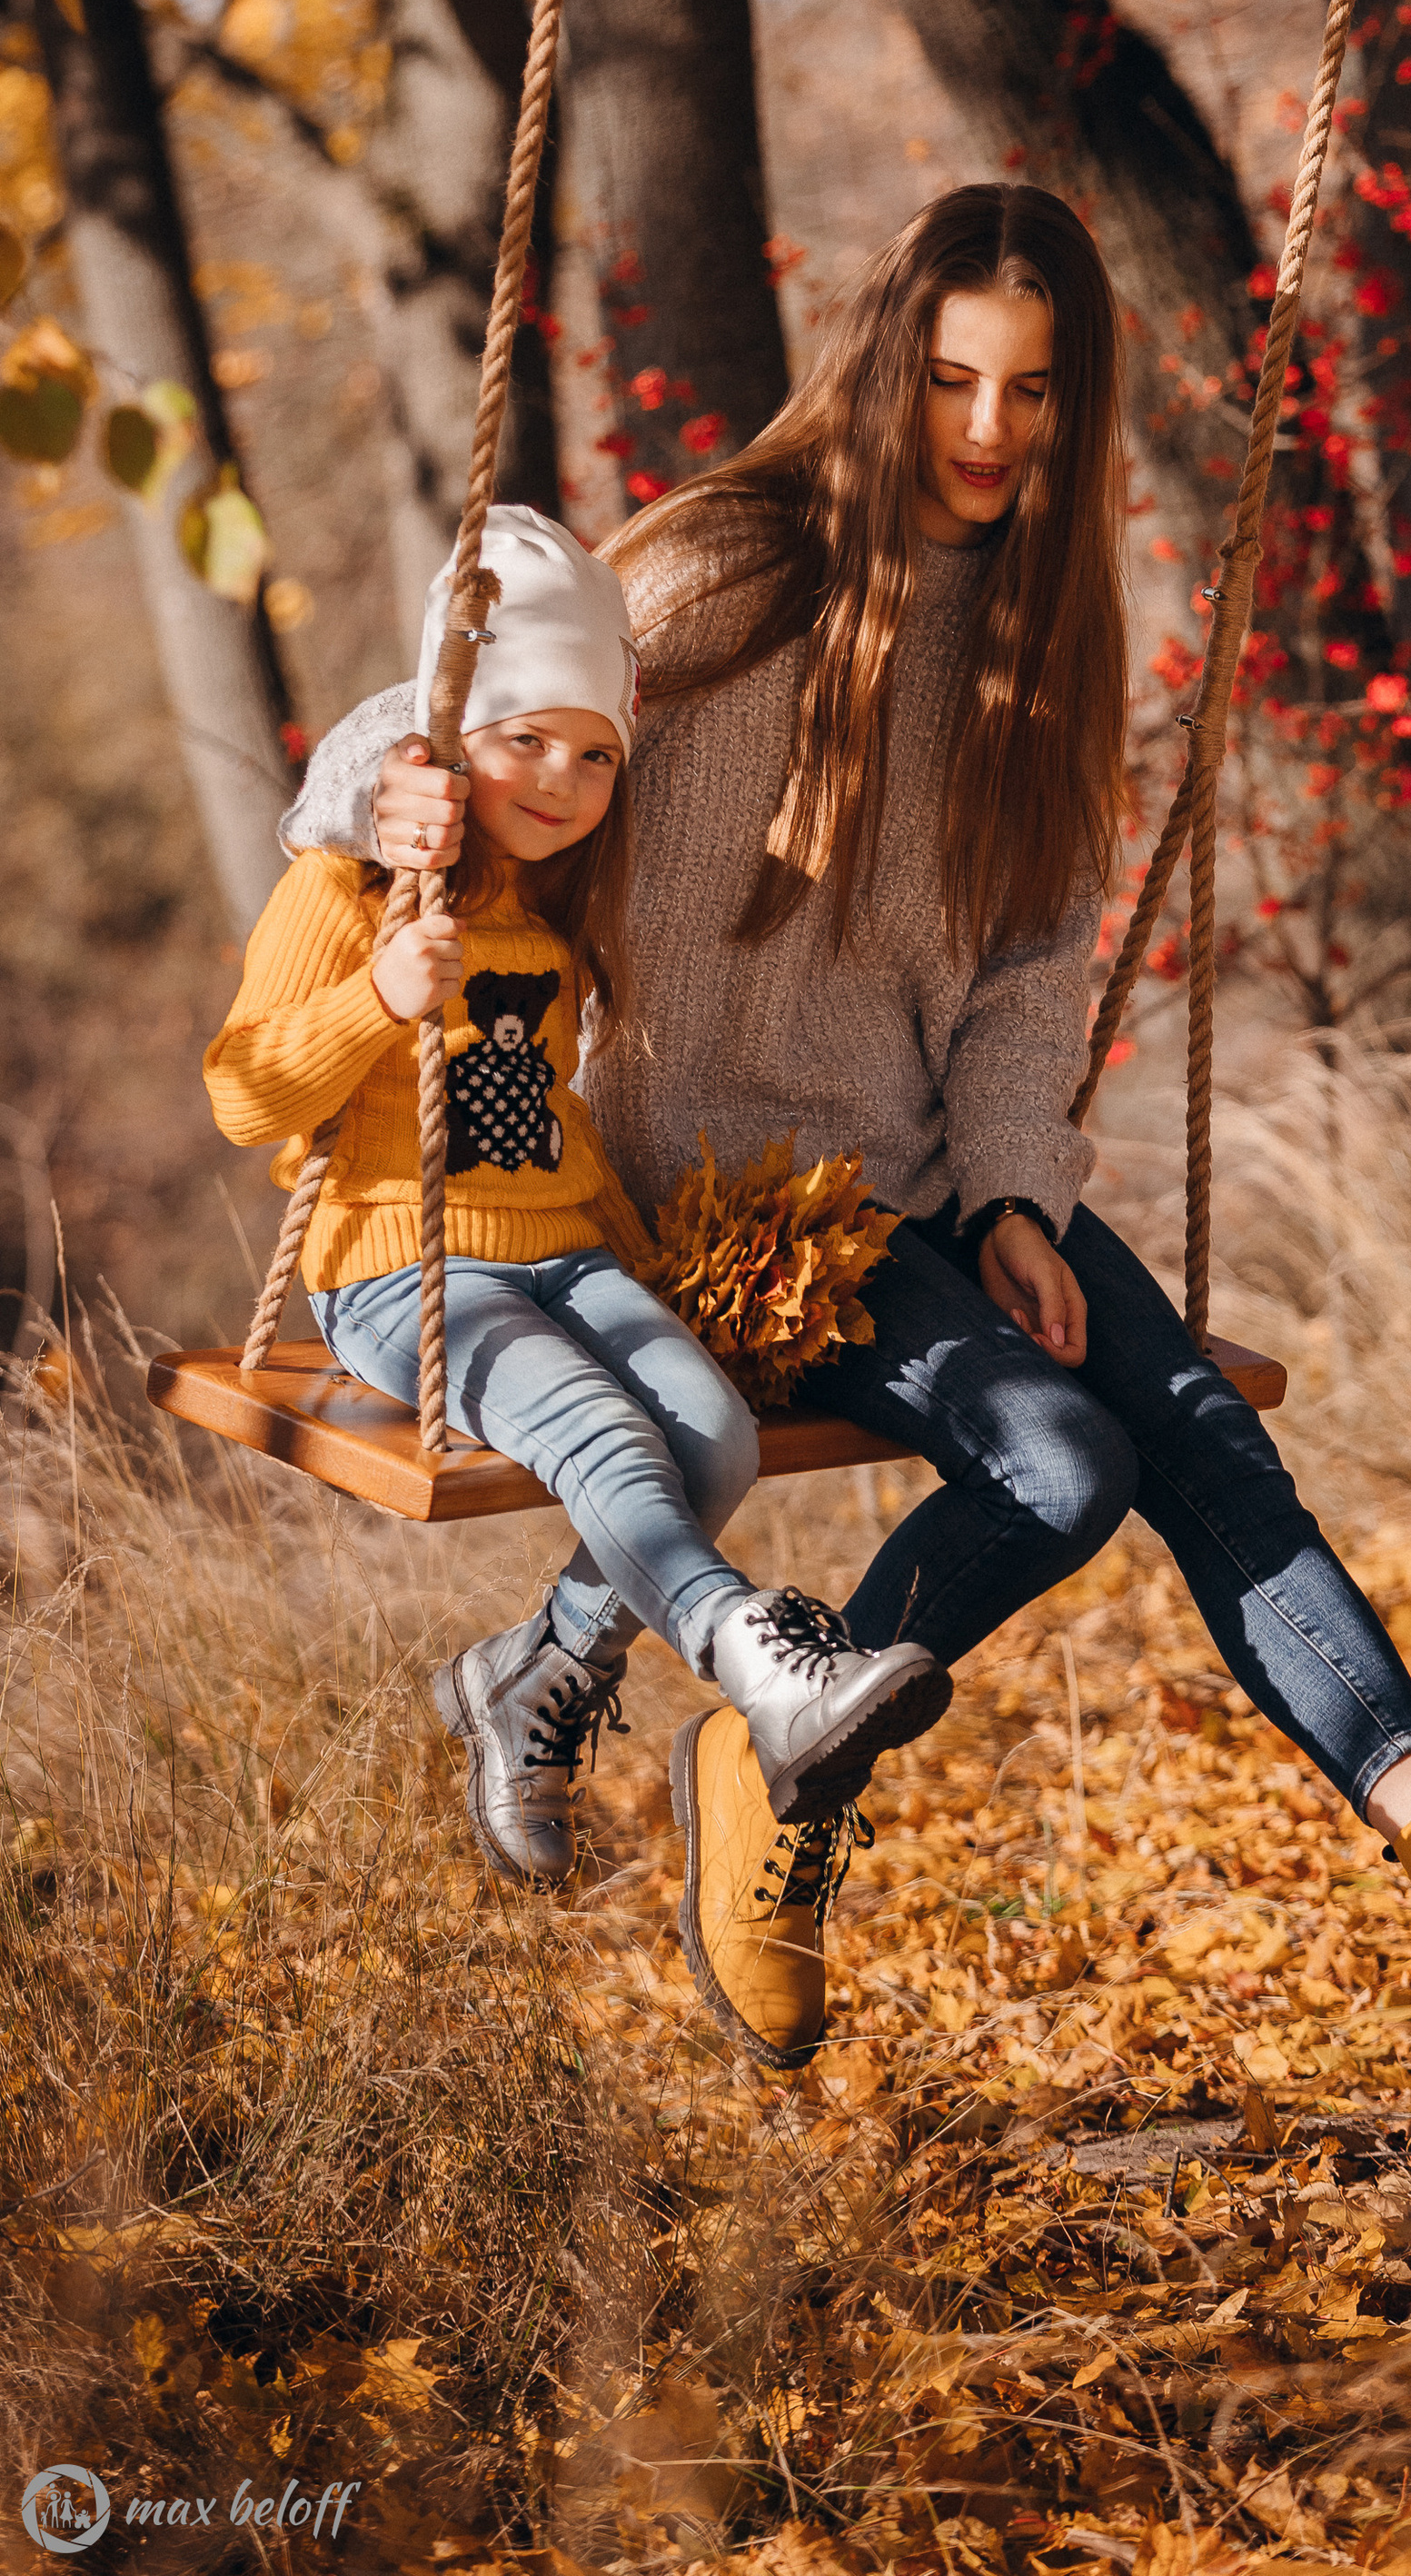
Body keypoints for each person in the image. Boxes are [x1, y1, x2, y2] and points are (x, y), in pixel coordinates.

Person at [284, 193, 1411, 2085]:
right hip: (731, 1205)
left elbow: (1032, 974)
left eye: (1029, 395)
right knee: (1060, 1468)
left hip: (933, 1172)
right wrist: (372, 793)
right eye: (950, 378)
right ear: (886, 368)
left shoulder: (1044, 640)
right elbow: (467, 712)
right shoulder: (725, 571)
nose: (984, 429)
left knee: (1200, 1433)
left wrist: (1028, 1195)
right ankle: (766, 1762)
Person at [207, 503, 949, 1896]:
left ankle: (533, 1672)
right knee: (606, 1434)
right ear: (448, 744)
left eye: (594, 751)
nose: (558, 777)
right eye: (521, 740)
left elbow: (553, 1122)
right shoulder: (352, 884)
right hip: (403, 1276)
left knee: (714, 1437)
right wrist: (378, 997)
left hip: (563, 1253)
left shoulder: (558, 906)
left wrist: (639, 1256)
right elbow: (243, 1092)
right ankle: (761, 1669)